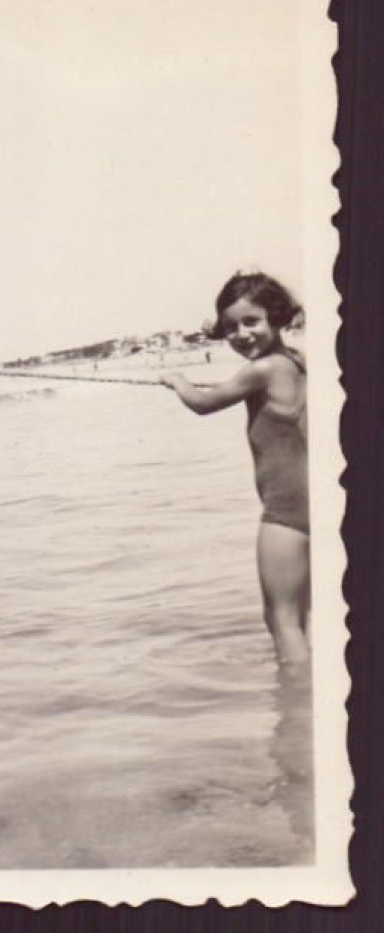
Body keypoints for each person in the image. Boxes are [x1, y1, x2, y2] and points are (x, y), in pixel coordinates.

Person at [160, 272, 310, 664]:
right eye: (231, 327)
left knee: (281, 618)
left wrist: (177, 381)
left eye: (250, 322)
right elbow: (248, 333)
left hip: (285, 510)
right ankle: (307, 692)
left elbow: (202, 403)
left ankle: (292, 704)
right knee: (303, 612)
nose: (240, 334)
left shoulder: (260, 370)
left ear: (276, 317)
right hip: (312, 502)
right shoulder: (295, 359)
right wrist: (223, 329)